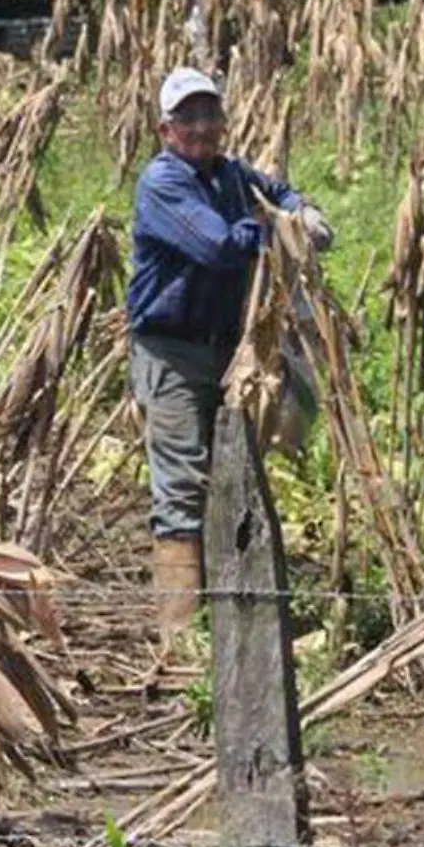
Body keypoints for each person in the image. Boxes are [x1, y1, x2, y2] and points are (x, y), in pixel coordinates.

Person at [124, 67, 333, 652]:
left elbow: (279, 192)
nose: (200, 127)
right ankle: (182, 641)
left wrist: (301, 210)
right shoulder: (163, 182)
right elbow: (218, 246)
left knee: (232, 476)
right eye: (187, 117)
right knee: (182, 487)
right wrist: (276, 229)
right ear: (165, 129)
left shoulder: (232, 174)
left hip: (227, 351)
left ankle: (236, 624)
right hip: (170, 353)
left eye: (209, 115)